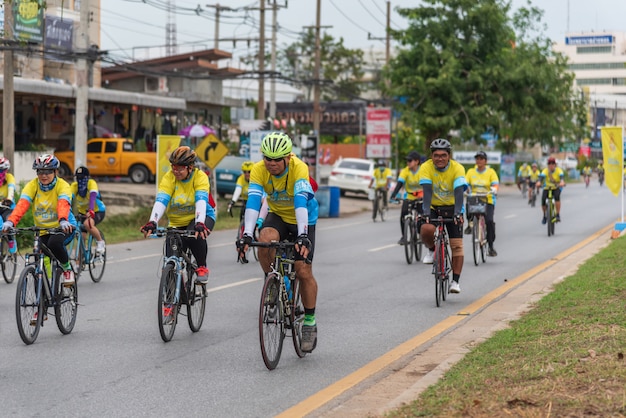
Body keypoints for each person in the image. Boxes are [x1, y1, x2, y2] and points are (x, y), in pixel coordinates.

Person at [236, 132, 319, 353]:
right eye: (267, 158)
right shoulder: (258, 170)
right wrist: (246, 233)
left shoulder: (299, 168)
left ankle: (309, 322)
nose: (271, 164)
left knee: (303, 270)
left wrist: (302, 235)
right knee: (264, 240)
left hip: (303, 218)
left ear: (287, 158)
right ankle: (272, 281)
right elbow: (254, 201)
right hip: (279, 215)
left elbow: (300, 202)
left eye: (276, 159)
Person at [140, 146, 216, 284]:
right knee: (170, 257)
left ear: (190, 167)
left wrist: (200, 222)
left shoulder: (200, 177)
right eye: (174, 167)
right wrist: (153, 221)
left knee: (195, 235)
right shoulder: (169, 177)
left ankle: (201, 267)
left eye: (180, 168)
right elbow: (161, 201)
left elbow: (200, 200)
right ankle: (170, 299)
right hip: (176, 221)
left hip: (201, 217)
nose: (176, 171)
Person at [2, 154, 76, 286]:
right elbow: (22, 205)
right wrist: (11, 221)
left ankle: (67, 268)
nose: (43, 175)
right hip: (42, 230)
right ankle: (45, 289)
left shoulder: (63, 185)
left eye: (48, 171)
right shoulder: (32, 185)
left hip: (64, 227)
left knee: (54, 243)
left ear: (55, 171)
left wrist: (63, 219)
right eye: (40, 171)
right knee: (38, 254)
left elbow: (63, 203)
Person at [419, 139, 467, 294]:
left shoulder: (457, 168)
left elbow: (459, 192)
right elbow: (426, 192)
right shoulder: (425, 167)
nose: (440, 158)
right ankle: (433, 250)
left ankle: (455, 281)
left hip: (453, 206)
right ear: (431, 156)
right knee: (426, 228)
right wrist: (426, 213)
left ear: (449, 156)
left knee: (457, 245)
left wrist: (458, 213)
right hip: (433, 206)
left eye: (443, 155)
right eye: (436, 155)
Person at [464, 151, 499, 256]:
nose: (479, 161)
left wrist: (494, 189)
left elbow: (495, 184)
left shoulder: (491, 172)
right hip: (474, 198)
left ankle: (491, 247)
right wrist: (466, 189)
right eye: (477, 159)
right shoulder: (470, 172)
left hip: (487, 199)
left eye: (481, 158)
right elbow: (466, 184)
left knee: (489, 221)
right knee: (468, 205)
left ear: (485, 161)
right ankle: (470, 224)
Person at [70, 167, 106, 255]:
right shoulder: (74, 186)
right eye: (78, 178)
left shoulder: (91, 183)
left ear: (87, 177)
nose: (80, 180)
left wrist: (91, 210)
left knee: (87, 224)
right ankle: (79, 263)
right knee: (80, 236)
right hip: (82, 213)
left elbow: (93, 196)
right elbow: (68, 199)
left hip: (97, 210)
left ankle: (100, 242)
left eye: (82, 177)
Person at [389, 151, 422, 245]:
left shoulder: (423, 170)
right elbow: (399, 183)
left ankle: (420, 234)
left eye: (410, 160)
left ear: (416, 161)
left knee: (422, 216)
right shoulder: (405, 171)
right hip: (409, 196)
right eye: (407, 161)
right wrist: (393, 195)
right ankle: (404, 237)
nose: (408, 163)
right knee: (403, 214)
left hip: (421, 196)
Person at [536, 157, 565, 224]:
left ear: (555, 164)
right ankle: (544, 215)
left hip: (556, 187)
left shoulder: (559, 170)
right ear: (548, 165)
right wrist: (539, 182)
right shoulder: (545, 171)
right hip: (547, 188)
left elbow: (561, 177)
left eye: (552, 163)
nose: (551, 165)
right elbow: (541, 177)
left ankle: (557, 214)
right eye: (549, 163)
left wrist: (562, 182)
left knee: (557, 197)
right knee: (543, 201)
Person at [0, 157, 18, 254]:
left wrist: (9, 199)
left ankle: (11, 240)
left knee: (7, 222)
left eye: (1, 170)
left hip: (8, 207)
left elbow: (11, 188)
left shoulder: (9, 177)